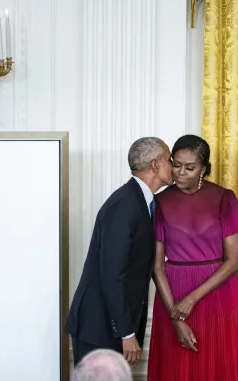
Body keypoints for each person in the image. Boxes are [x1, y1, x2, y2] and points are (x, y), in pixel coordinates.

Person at [147, 134, 238, 380]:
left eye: (190, 168)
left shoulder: (225, 198)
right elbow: (157, 266)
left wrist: (191, 300)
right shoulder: (159, 201)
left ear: (203, 169)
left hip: (217, 292)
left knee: (215, 359)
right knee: (176, 362)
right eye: (176, 164)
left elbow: (234, 260)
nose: (180, 172)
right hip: (173, 291)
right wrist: (176, 318)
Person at [66, 137, 174, 366]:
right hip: (99, 327)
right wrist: (126, 333)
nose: (173, 165)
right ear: (155, 165)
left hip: (110, 324)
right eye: (169, 160)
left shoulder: (140, 201)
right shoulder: (125, 205)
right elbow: (113, 274)